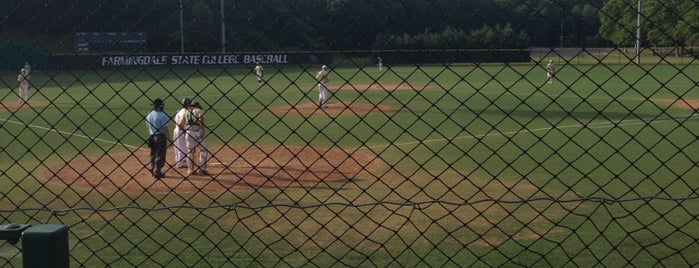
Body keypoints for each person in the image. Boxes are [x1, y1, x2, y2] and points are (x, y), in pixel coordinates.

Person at [178, 101, 209, 176]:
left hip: (189, 133)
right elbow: (201, 121)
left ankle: (190, 170)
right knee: (203, 150)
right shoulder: (199, 111)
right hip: (198, 132)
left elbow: (180, 124)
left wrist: (186, 131)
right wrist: (203, 132)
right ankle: (202, 170)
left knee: (190, 151)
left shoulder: (186, 112)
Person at [145, 98, 170, 179]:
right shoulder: (163, 115)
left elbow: (148, 127)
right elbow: (165, 128)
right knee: (160, 155)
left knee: (153, 153)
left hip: (152, 136)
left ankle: (153, 169)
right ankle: (157, 172)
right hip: (160, 137)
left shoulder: (149, 115)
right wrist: (168, 138)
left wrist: (151, 135)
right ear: (160, 106)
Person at [172, 97, 192, 169]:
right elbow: (182, 124)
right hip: (181, 130)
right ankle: (180, 164)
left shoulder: (179, 111)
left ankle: (178, 161)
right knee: (183, 147)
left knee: (177, 146)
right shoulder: (186, 112)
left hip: (176, 130)